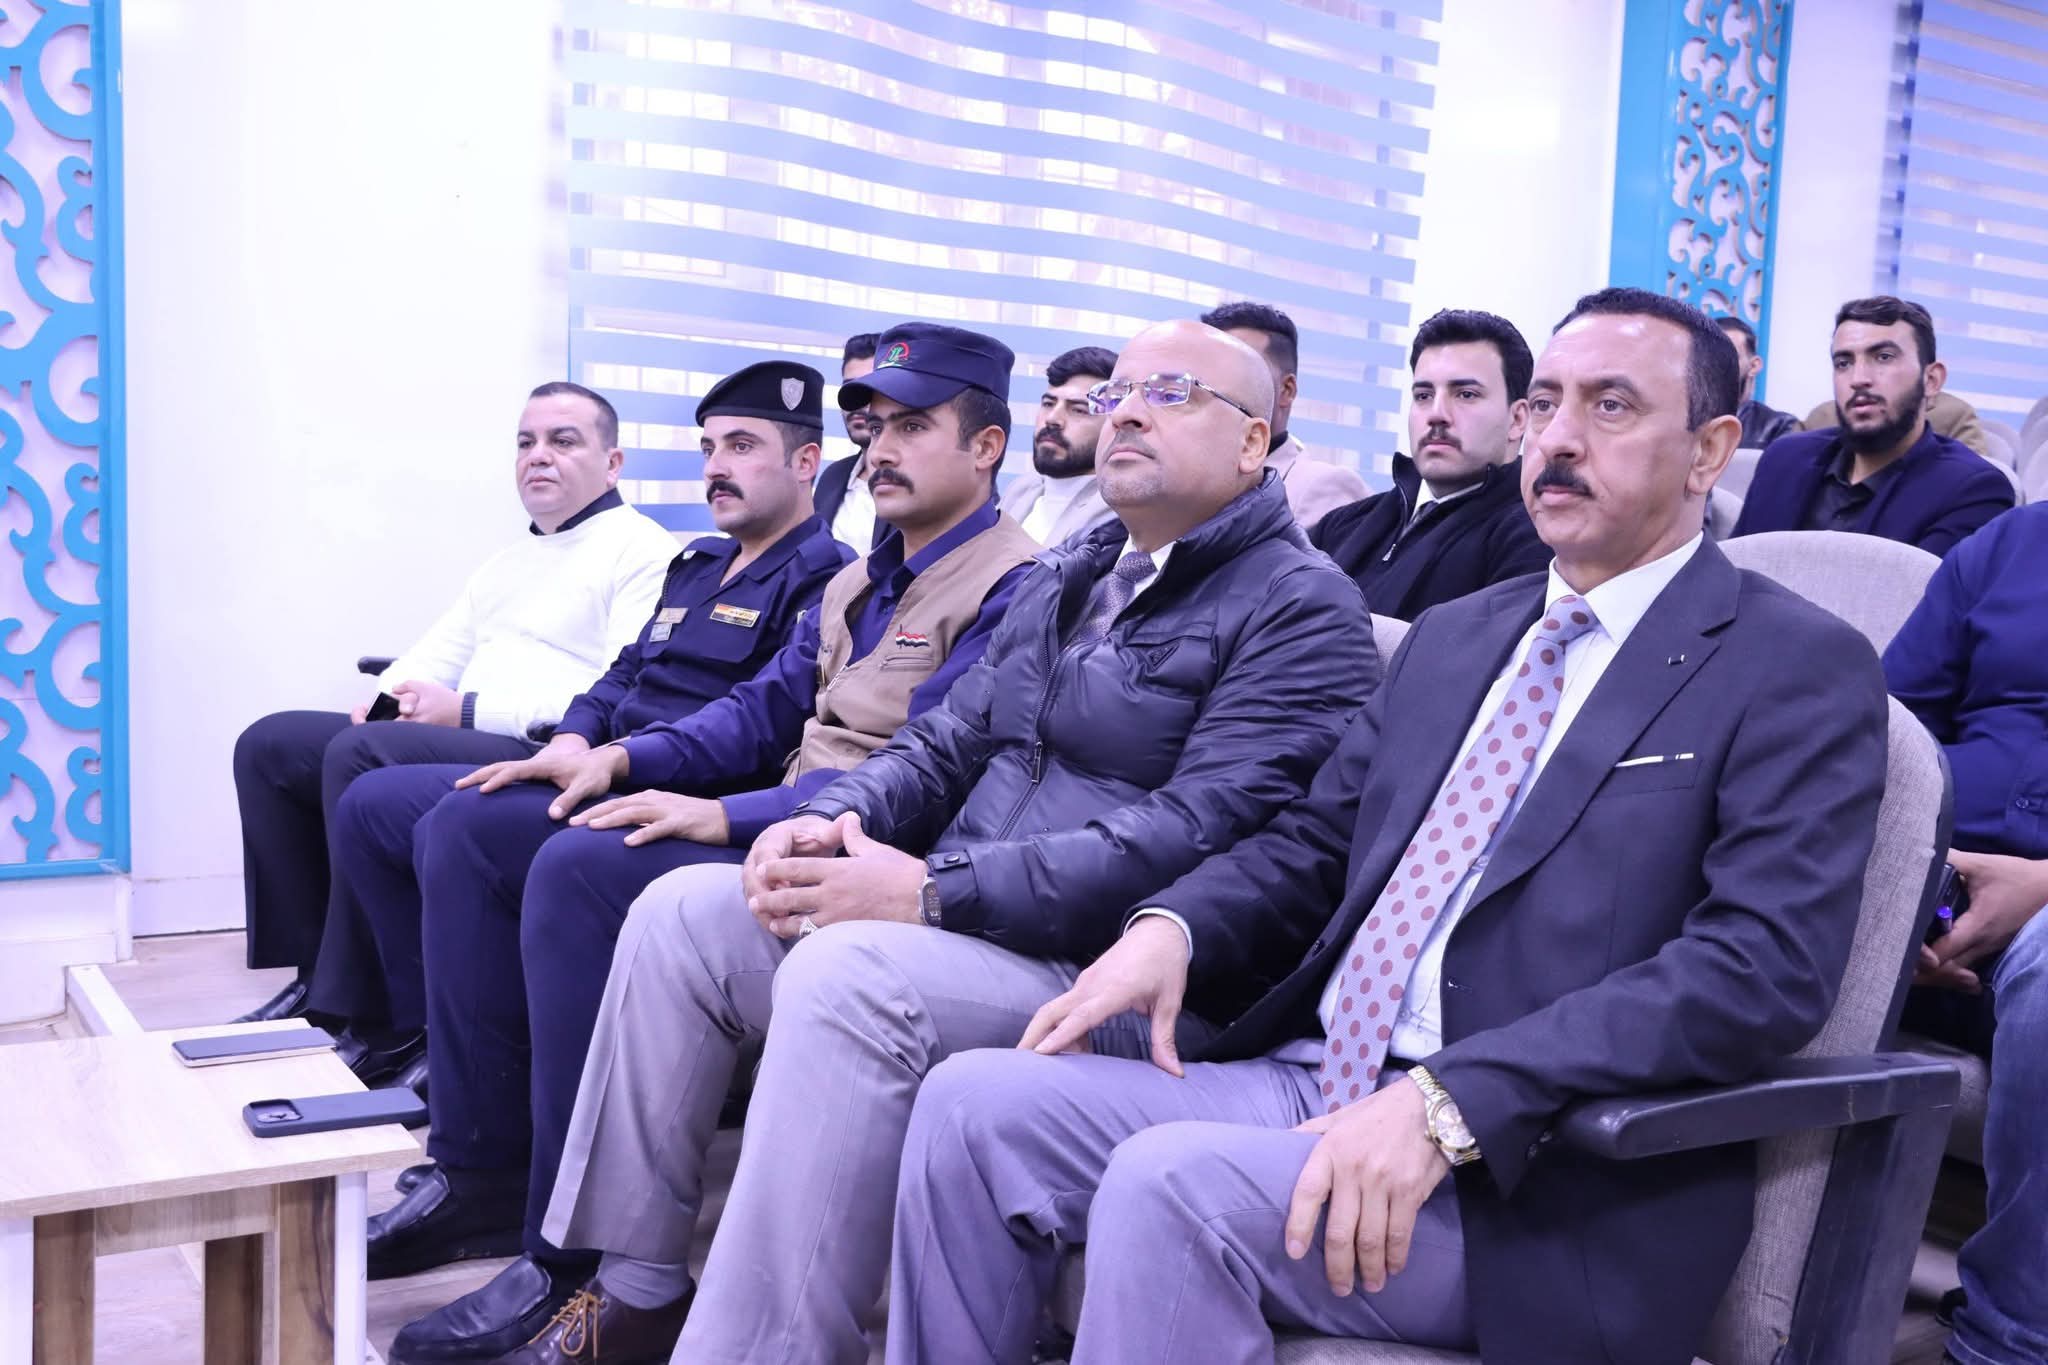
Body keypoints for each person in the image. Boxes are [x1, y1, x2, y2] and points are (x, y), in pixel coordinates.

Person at [887, 287, 1891, 1365]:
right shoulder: (1458, 635)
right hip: (1317, 1073)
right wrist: (1171, 929)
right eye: (1545, 404)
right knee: (970, 1108)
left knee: (1168, 1186)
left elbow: (1759, 967)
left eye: (1609, 407)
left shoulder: (1794, 666)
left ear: (1709, 451)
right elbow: (1318, 842)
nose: (1557, 438)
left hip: (1534, 1166)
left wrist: (1450, 1100)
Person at [508, 319, 1380, 1365]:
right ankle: (637, 1287)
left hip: (1114, 972)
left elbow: (1196, 834)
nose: (1126, 413)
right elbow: (940, 743)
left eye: (1173, 393)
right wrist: (833, 819)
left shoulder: (1302, 607)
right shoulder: (1074, 573)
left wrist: (930, 889)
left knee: (848, 976)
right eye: (1118, 393)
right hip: (979, 922)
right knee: (682, 915)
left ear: (1253, 442)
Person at [377, 322, 1042, 1363]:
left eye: (912, 427)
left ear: (987, 446)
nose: (879, 449)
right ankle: (494, 1178)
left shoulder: (1017, 586)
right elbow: (756, 713)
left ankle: (573, 1256)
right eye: (871, 427)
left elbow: (929, 776)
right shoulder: (863, 580)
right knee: (477, 826)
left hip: (853, 857)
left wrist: (725, 816)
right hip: (785, 821)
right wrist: (616, 757)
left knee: (583, 869)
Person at [305, 363, 847, 1092]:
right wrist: (572, 737)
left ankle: (483, 1087)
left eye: (741, 446)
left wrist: (616, 757)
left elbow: (754, 721)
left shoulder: (825, 576)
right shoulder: (700, 563)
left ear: (805, 462)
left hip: (671, 788)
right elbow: (623, 672)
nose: (716, 468)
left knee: (459, 823)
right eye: (709, 448)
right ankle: (419, 1034)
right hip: (598, 764)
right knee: (374, 803)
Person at [228, 382, 680, 1025]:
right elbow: (431, 656)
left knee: (361, 752)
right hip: (471, 727)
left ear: (613, 464)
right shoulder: (508, 562)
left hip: (550, 748)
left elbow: (620, 696)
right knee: (273, 744)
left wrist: (465, 710)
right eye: (526, 442)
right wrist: (385, 702)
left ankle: (376, 1010)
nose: (538, 455)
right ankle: (310, 971)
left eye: (563, 441)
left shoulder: (645, 552)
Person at [1882, 502, 2048, 1365]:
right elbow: (1885, 727)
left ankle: (2008, 1343)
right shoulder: (2009, 546)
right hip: (1938, 866)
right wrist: (1900, 876)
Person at [1311, 308, 1549, 620]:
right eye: (1423, 395)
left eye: (1465, 394)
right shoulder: (1344, 524)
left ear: (1517, 419)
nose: (1436, 414)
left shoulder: (1535, 536)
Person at [1733, 296, 2013, 555]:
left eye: (1883, 357)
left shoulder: (1972, 489)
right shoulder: (1784, 459)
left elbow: (1917, 592)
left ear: (1931, 380)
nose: (1858, 379)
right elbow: (1735, 569)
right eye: (1844, 363)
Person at [1200, 300, 1368, 530]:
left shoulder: (1322, 487)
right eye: (1205, 375)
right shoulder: (1189, 480)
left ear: (1286, 390)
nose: (1215, 387)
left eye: (1239, 370)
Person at [1000, 344, 1119, 545]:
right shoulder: (1020, 490)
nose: (1052, 419)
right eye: (1048, 404)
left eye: (1078, 409)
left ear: (1115, 424)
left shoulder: (1117, 514)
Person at [813, 332, 885, 550]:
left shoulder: (922, 480)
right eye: (850, 388)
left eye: (868, 388)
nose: (856, 401)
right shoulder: (832, 478)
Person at [1713, 314, 1800, 449]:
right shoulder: (1684, 420)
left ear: (1753, 366)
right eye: (1707, 357)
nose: (1715, 365)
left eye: (1727, 356)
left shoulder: (1778, 427)